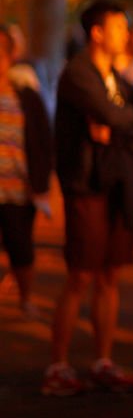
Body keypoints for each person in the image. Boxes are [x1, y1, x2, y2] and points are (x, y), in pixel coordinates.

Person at [44, 0, 133, 396]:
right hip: (86, 187)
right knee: (80, 276)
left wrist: (121, 124)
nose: (126, 33)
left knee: (110, 276)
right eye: (120, 27)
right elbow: (118, 117)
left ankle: (102, 360)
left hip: (118, 185)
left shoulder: (118, 81)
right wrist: (121, 122)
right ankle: (58, 366)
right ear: (98, 32)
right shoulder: (79, 74)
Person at [0, 26, 53, 320]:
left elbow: (42, 141)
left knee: (21, 248)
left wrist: (41, 183)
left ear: (9, 57)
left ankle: (25, 298)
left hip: (18, 188)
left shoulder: (25, 95)